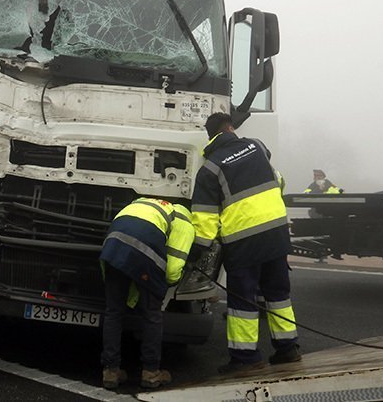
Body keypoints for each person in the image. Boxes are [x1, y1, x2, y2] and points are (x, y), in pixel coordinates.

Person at [191, 112, 300, 374]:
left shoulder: (210, 168)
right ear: (230, 128)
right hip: (276, 233)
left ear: (211, 136)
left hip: (243, 241)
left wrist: (196, 252)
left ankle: (245, 359)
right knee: (277, 294)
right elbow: (278, 180)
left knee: (243, 301)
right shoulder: (258, 146)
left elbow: (205, 218)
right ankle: (288, 349)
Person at [99, 198, 195, 389]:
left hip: (111, 247)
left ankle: (110, 372)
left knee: (113, 312)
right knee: (152, 314)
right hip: (143, 249)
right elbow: (173, 269)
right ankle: (151, 373)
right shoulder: (185, 222)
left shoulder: (144, 203)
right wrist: (162, 287)